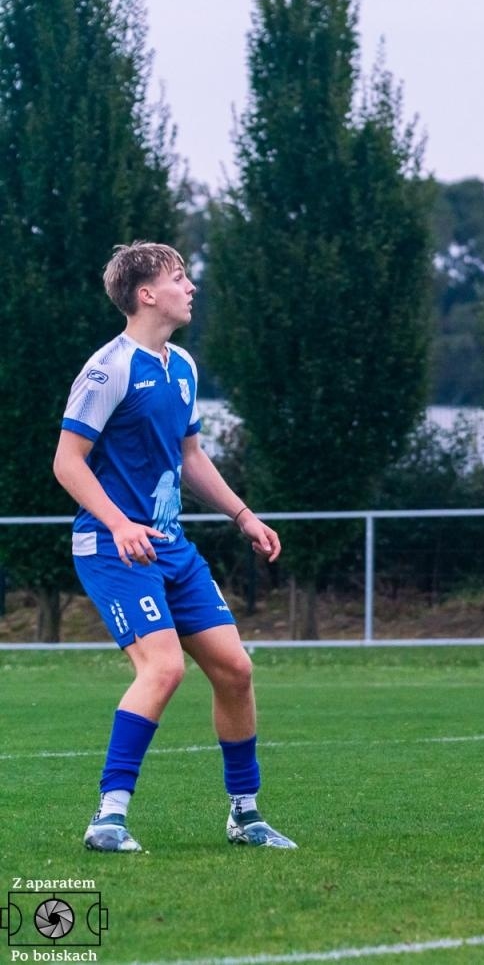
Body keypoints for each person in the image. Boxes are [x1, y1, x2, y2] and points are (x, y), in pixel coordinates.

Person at [54, 242, 295, 853]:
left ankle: (245, 815)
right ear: (146, 295)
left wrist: (243, 515)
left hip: (171, 547)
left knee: (236, 670)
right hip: (113, 548)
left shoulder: (182, 366)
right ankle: (108, 818)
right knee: (163, 668)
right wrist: (118, 524)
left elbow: (189, 458)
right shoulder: (109, 369)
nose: (191, 287)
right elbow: (67, 462)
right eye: (179, 277)